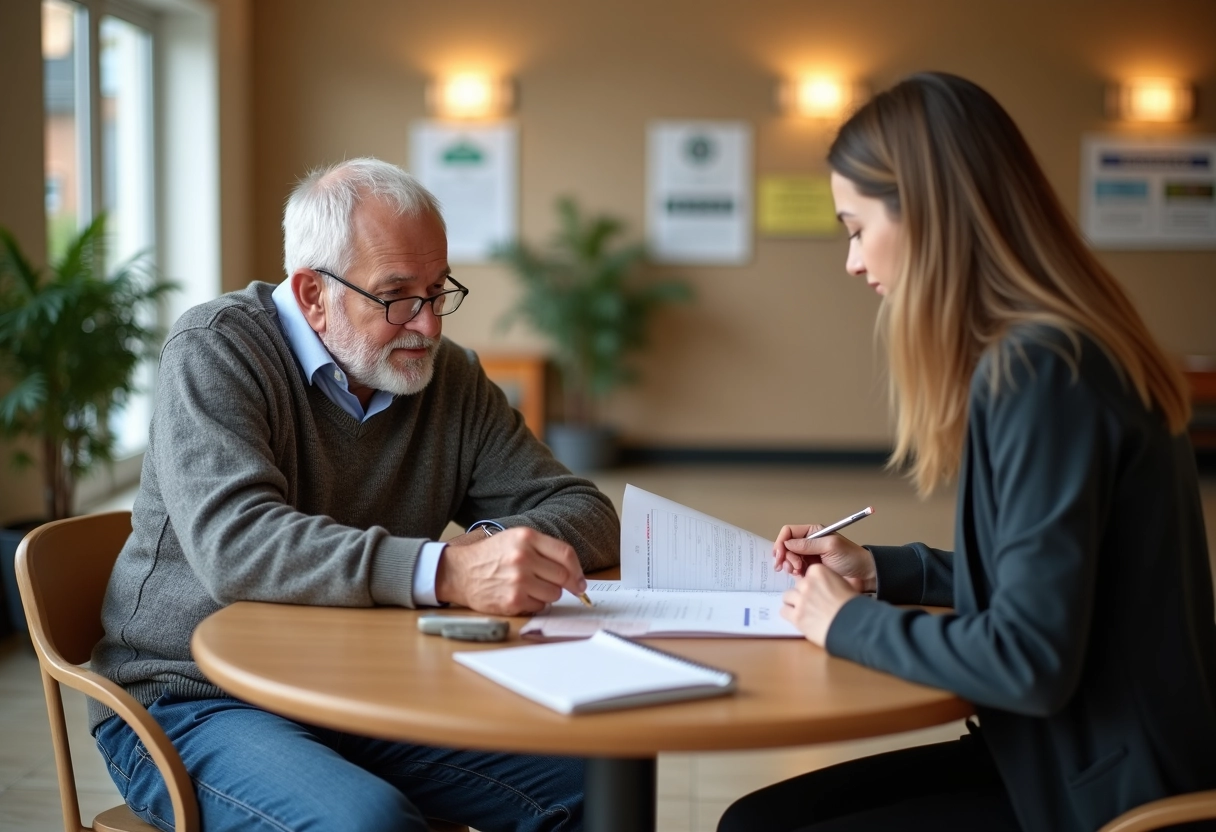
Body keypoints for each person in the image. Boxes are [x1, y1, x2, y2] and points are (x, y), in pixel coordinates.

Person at [718, 72, 1216, 832]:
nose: (852, 261)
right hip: (1071, 751)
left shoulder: (1041, 373)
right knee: (756, 821)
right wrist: (880, 571)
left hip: (1105, 790)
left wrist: (844, 621)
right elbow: (1056, 582)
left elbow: (1027, 659)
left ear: (924, 216)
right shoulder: (1058, 350)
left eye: (856, 228)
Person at [88, 157, 620, 832]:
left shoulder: (449, 378)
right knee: (369, 823)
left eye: (437, 291)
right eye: (397, 296)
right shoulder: (216, 349)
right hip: (190, 696)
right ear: (313, 293)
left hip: (361, 685)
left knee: (600, 784)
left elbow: (585, 512)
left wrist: (492, 549)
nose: (428, 325)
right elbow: (238, 545)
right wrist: (447, 571)